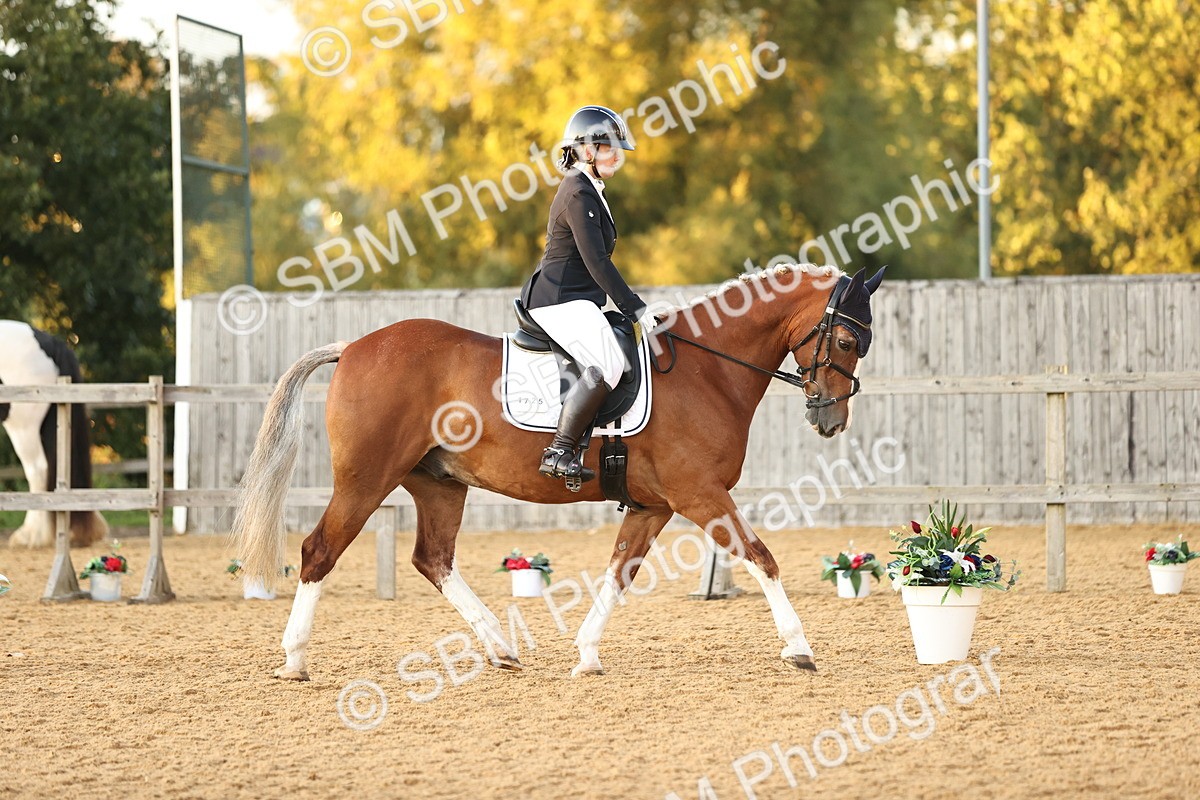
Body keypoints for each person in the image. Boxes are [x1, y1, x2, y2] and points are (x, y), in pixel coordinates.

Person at [519, 105, 658, 482]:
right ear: (583, 150)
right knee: (608, 365)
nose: (617, 154)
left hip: (578, 301)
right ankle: (559, 450)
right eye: (607, 146)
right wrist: (637, 309)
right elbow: (597, 262)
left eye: (618, 147)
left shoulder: (592, 189)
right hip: (557, 300)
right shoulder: (577, 192)